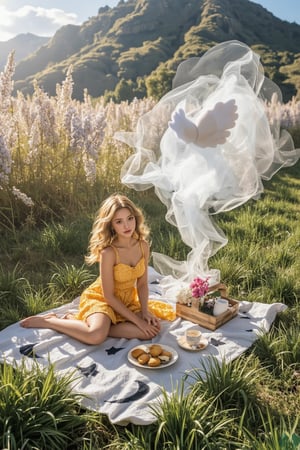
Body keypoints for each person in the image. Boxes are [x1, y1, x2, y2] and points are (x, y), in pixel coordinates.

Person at [20, 194, 175, 344]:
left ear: (136, 217)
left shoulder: (143, 246)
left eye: (130, 218)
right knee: (95, 336)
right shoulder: (109, 252)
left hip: (127, 300)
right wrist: (138, 321)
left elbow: (141, 285)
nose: (127, 226)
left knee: (152, 330)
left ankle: (98, 325)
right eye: (119, 221)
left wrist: (145, 311)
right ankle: (53, 321)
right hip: (103, 299)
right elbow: (109, 296)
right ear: (111, 225)